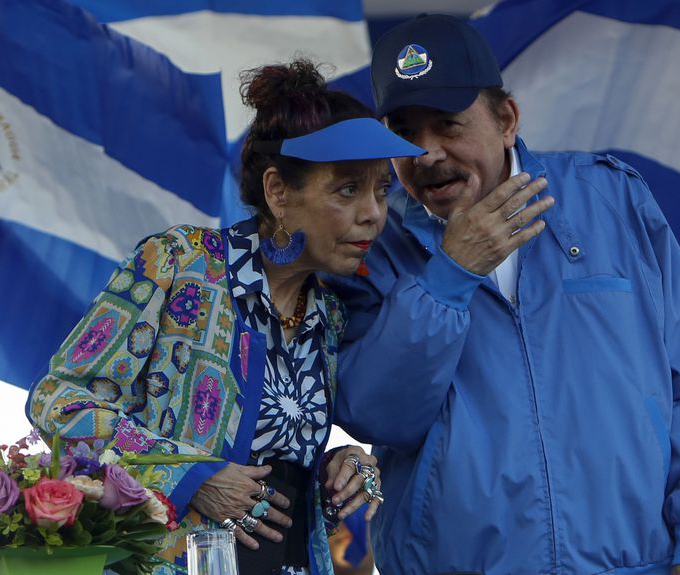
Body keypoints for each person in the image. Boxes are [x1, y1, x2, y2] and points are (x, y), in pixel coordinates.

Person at [326, 14, 680, 575]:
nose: (426, 153)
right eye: (404, 133)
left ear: (506, 119)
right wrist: (450, 274)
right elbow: (380, 416)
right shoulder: (375, 246)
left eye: (449, 125)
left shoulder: (612, 200)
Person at [26, 59, 423, 575]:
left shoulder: (329, 316)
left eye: (381, 190)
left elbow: (276, 483)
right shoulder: (178, 264)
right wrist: (192, 475)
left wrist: (337, 471)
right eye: (347, 190)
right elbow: (57, 402)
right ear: (279, 192)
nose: (373, 213)